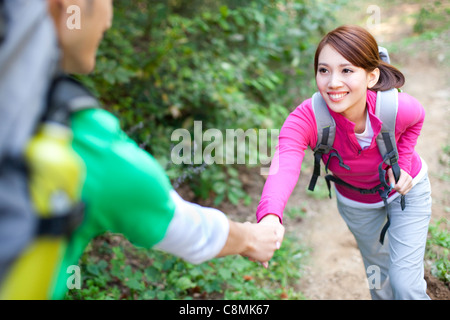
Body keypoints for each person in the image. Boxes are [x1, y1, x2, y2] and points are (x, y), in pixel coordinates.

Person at [0, 0, 284, 300]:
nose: (108, 21)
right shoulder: (77, 139)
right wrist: (252, 238)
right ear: (71, 5)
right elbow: (179, 223)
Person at [257, 25, 431, 300]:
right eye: (324, 70)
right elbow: (284, 163)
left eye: (346, 70)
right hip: (357, 204)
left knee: (405, 284)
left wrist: (403, 167)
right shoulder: (307, 119)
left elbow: (416, 120)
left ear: (371, 76)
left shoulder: (397, 107)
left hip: (407, 194)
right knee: (380, 278)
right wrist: (269, 216)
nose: (333, 82)